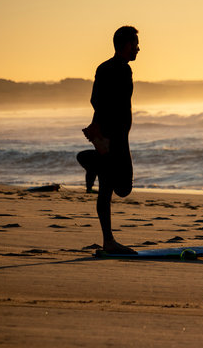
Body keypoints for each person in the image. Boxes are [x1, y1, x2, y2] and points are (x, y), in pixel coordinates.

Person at [81, 26, 140, 254]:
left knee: (111, 187)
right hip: (114, 137)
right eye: (135, 44)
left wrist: (100, 127)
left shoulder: (105, 68)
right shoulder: (121, 71)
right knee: (121, 188)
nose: (138, 48)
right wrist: (107, 130)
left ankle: (108, 241)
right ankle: (109, 241)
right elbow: (104, 102)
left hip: (111, 135)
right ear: (125, 45)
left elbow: (95, 100)